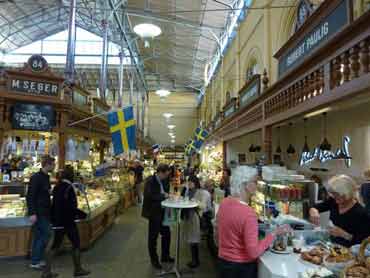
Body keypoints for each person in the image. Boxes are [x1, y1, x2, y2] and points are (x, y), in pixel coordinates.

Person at [217, 173, 290, 278]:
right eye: (255, 182)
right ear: (246, 185)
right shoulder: (248, 214)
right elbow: (253, 252)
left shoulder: (224, 203)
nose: (257, 185)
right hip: (241, 268)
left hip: (224, 263)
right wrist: (274, 233)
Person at [42, 165, 90, 278]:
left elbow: (55, 204)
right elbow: (70, 206)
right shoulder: (69, 187)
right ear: (71, 176)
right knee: (76, 244)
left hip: (57, 221)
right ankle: (78, 269)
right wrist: (81, 214)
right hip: (68, 221)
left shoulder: (58, 186)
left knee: (54, 246)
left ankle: (46, 272)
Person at [309, 175, 370, 247]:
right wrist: (314, 211)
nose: (334, 197)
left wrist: (344, 234)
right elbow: (315, 207)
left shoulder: (361, 213)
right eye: (333, 194)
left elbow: (365, 243)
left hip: (350, 253)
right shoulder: (333, 201)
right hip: (332, 247)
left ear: (347, 193)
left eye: (337, 194)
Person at [142, 164, 174, 270]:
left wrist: (168, 195)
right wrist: (163, 196)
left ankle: (165, 256)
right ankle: (154, 260)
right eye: (165, 174)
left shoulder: (165, 180)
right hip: (153, 212)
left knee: (166, 234)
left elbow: (166, 191)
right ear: (160, 172)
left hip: (162, 211)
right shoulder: (150, 181)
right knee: (153, 237)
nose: (167, 176)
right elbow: (149, 196)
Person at [27, 155, 56, 270]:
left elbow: (46, 192)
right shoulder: (36, 178)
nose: (54, 166)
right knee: (47, 234)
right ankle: (35, 260)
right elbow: (30, 196)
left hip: (45, 211)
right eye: (53, 164)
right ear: (47, 165)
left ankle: (35, 260)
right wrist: (32, 213)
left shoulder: (46, 177)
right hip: (39, 212)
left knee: (39, 236)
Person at [180, 175, 207, 269]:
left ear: (195, 183)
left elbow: (203, 206)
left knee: (194, 239)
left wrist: (195, 201)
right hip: (188, 217)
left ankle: (195, 261)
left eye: (190, 182)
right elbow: (183, 200)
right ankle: (194, 260)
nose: (189, 184)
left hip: (195, 217)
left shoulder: (201, 192)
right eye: (188, 182)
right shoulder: (188, 191)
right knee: (191, 239)